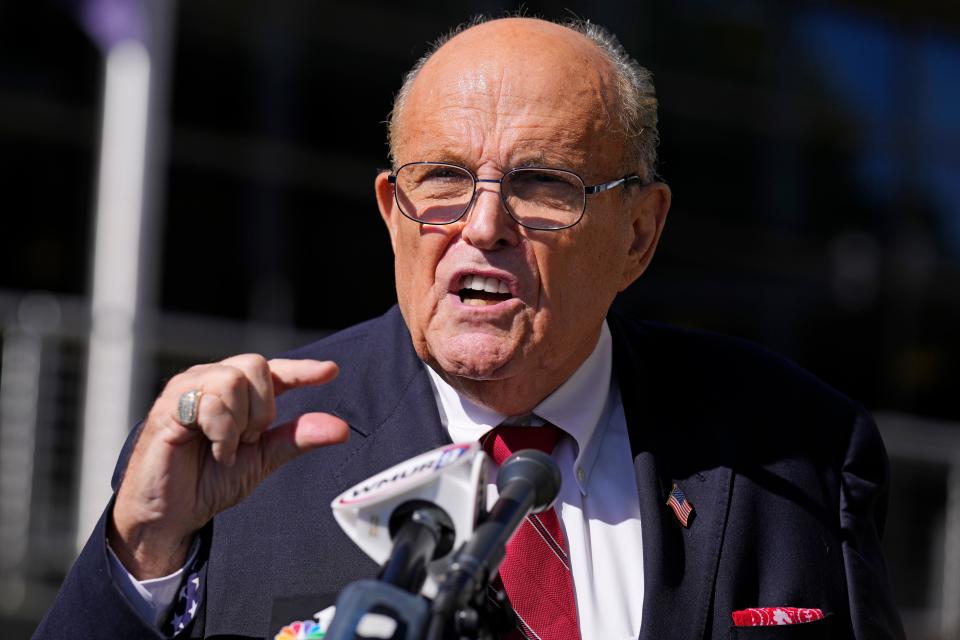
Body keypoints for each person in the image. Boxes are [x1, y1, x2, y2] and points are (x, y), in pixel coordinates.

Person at [35, 16, 904, 640]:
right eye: (444, 179)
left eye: (541, 185)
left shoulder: (797, 448)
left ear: (639, 233)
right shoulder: (240, 464)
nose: (482, 226)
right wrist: (142, 550)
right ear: (392, 212)